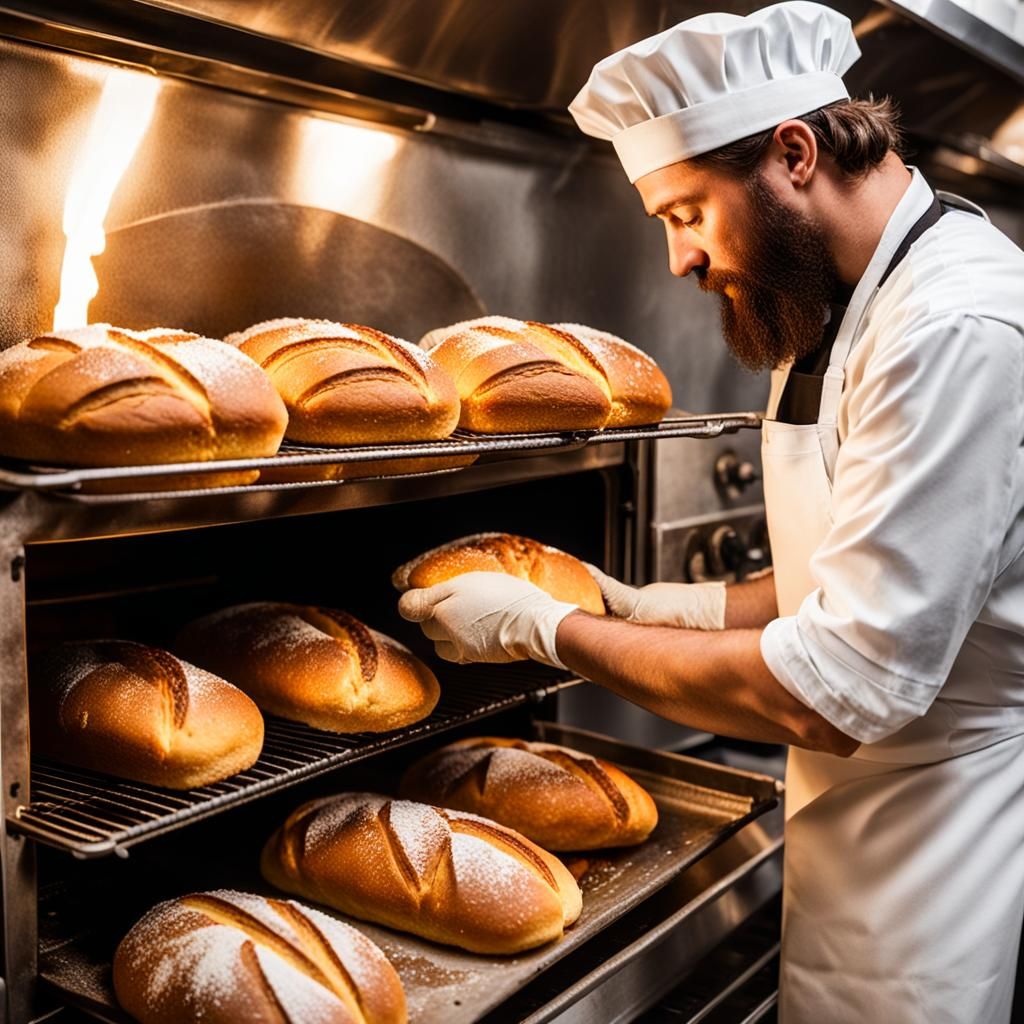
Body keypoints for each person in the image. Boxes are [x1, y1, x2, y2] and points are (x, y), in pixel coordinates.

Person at [398, 3, 1024, 1020]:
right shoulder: (837, 305)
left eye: (685, 213)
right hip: (855, 806)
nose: (677, 261)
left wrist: (550, 629)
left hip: (939, 840)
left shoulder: (951, 328)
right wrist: (648, 605)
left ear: (793, 153)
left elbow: (834, 686)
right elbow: (836, 577)